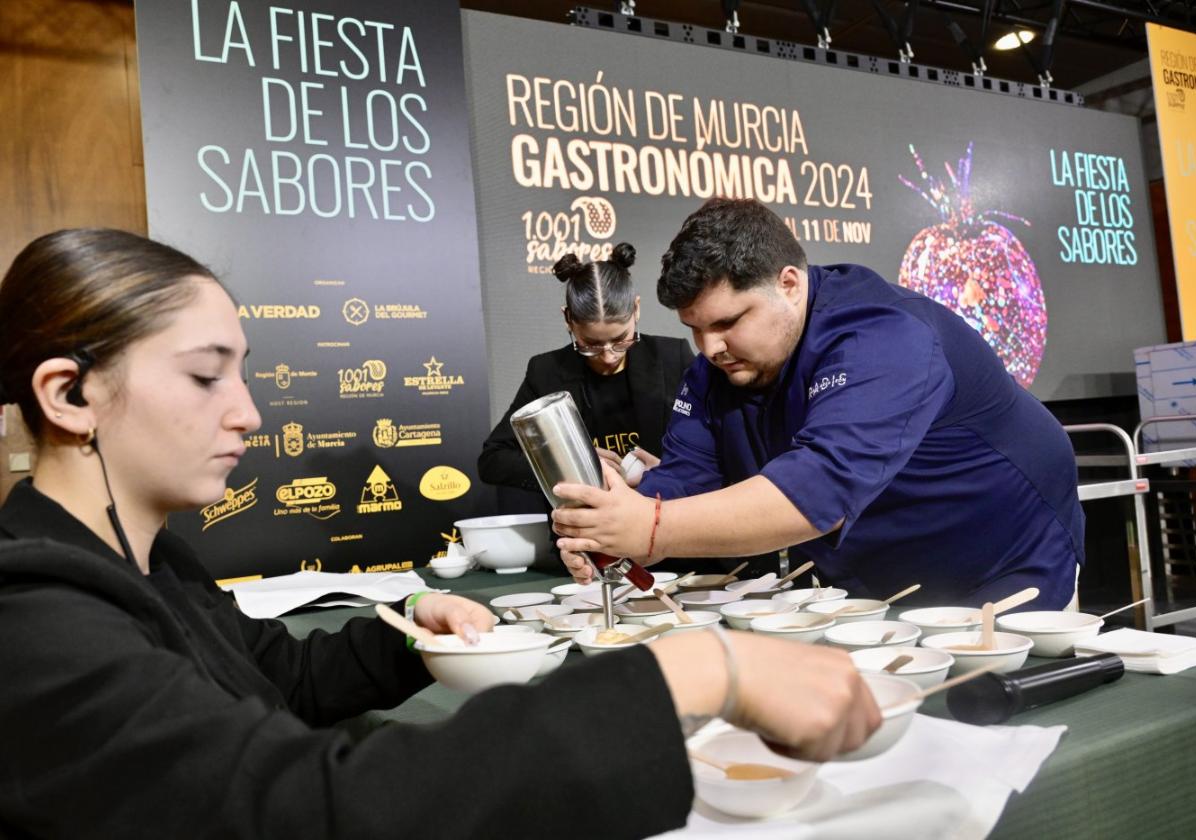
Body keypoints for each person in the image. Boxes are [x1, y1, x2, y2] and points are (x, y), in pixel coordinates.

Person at [0, 228, 880, 838]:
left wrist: (411, 639)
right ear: (69, 395)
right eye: (204, 377)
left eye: (243, 374)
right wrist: (688, 669)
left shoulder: (150, 563)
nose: (248, 412)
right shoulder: (35, 625)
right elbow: (312, 810)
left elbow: (278, 676)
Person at [553, 198, 1085, 610]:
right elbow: (688, 481)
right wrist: (613, 520)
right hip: (875, 576)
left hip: (1001, 561)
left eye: (728, 322)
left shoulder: (885, 337)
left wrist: (650, 526)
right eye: (694, 329)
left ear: (789, 284)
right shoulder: (713, 370)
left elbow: (822, 489)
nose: (709, 348)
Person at [478, 243, 693, 498]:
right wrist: (572, 468)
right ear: (568, 320)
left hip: (662, 520)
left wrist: (665, 474)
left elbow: (712, 449)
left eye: (622, 339)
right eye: (590, 345)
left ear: (636, 309)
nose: (609, 355)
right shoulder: (546, 372)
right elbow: (493, 460)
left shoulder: (671, 357)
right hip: (583, 530)